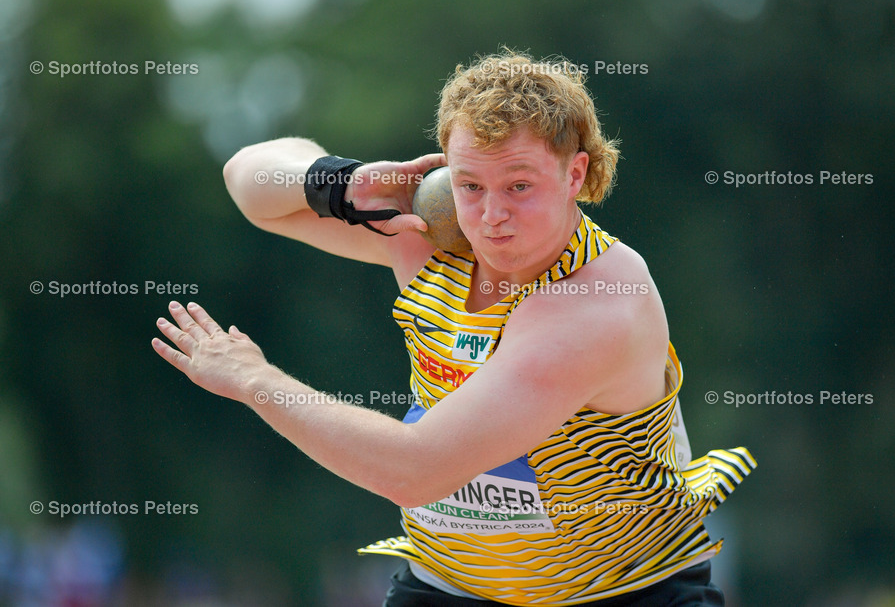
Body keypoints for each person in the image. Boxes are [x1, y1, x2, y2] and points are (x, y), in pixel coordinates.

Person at [152, 50, 756, 606]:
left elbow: (417, 471)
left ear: (575, 175)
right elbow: (247, 181)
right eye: (470, 185)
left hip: (624, 593)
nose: (491, 217)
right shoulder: (430, 235)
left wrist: (257, 381)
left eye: (519, 185)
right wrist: (344, 184)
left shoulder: (596, 304)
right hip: (448, 588)